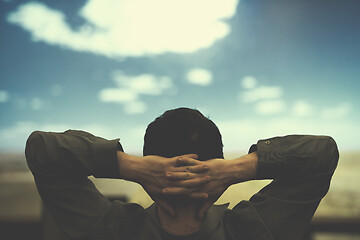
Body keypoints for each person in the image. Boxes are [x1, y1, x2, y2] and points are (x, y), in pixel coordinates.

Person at [25, 107, 339, 240]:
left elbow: (42, 150)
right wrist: (235, 169)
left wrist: (129, 166)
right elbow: (322, 155)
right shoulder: (252, 230)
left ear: (150, 174)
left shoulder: (112, 230)